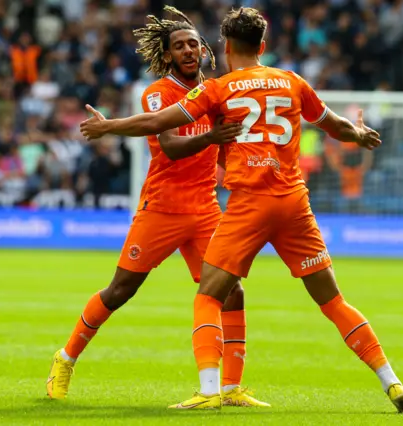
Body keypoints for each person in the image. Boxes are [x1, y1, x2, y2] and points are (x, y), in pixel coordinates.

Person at [80, 7, 403, 413]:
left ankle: (209, 390)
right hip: (294, 203)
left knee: (209, 294)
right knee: (333, 301)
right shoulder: (291, 81)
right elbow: (335, 125)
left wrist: (107, 127)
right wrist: (360, 134)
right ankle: (392, 382)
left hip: (249, 205)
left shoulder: (219, 88)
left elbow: (158, 122)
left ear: (225, 47)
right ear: (262, 45)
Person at [47, 7, 270, 408]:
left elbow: (223, 153)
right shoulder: (158, 93)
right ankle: (66, 357)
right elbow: (170, 146)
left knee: (232, 291)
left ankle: (231, 387)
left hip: (205, 210)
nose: (188, 51)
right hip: (161, 209)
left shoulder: (216, 92)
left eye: (193, 44)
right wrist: (213, 136)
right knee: (120, 291)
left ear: (204, 50)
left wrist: (249, 171)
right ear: (167, 55)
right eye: (179, 46)